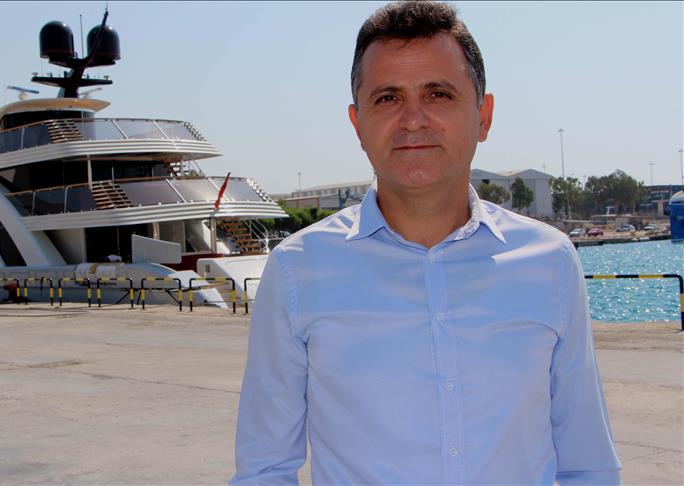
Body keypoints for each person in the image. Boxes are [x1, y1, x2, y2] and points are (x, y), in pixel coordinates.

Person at [231, 1, 621, 484]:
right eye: (387, 98)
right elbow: (264, 469)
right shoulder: (297, 271)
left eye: (438, 93)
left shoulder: (551, 262)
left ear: (483, 115)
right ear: (357, 124)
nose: (413, 119)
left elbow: (587, 463)